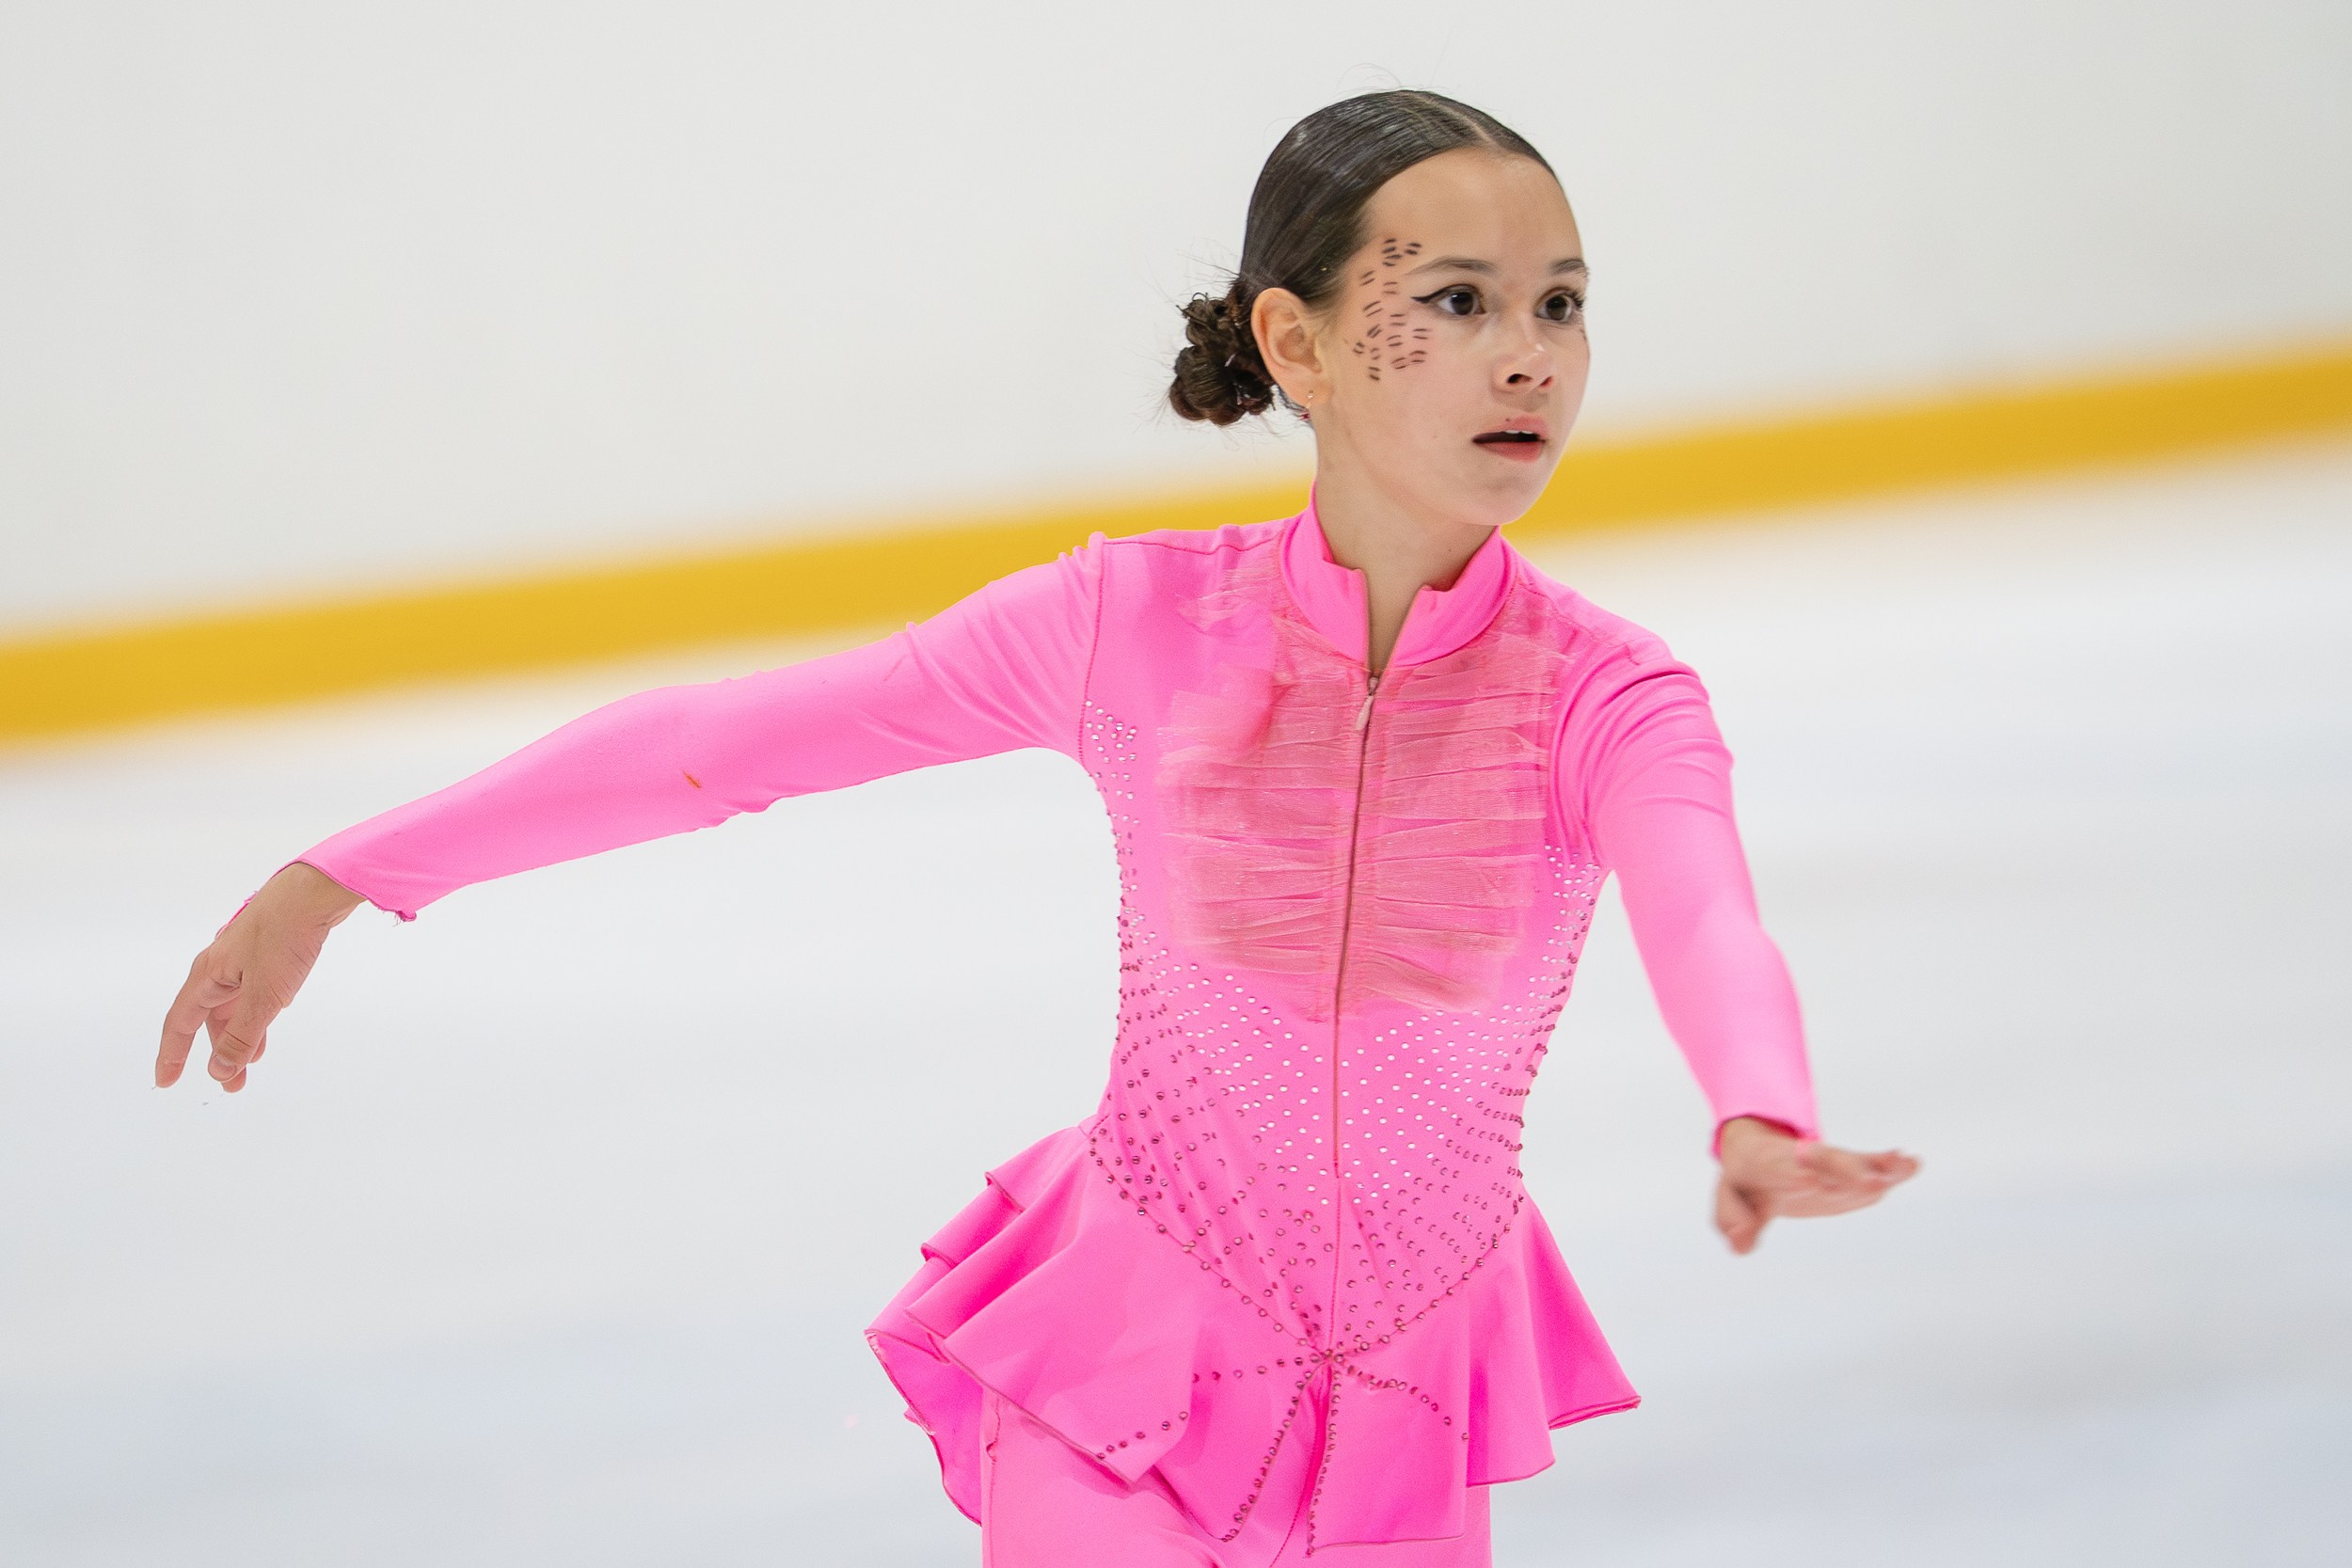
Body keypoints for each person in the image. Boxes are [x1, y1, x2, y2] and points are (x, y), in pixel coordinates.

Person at [156, 90, 1917, 1567]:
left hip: (1404, 1395)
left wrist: (1760, 1108)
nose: (1529, 356)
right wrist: (343, 877)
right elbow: (722, 746)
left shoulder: (1608, 695)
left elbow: (1704, 914)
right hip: (1125, 1357)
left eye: (1562, 303)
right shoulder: (1128, 626)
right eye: (1454, 300)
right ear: (1294, 342)